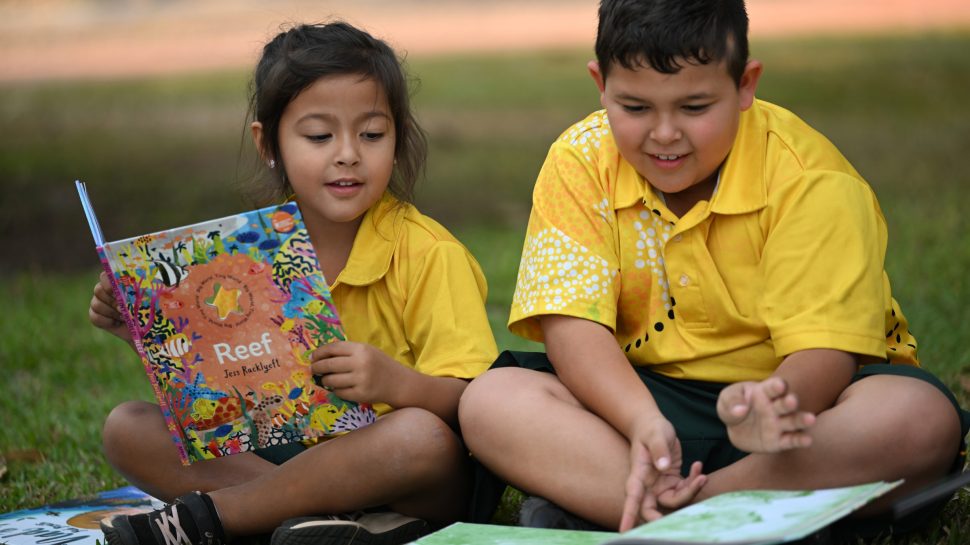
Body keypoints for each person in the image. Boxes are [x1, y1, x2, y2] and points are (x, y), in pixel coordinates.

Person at [457, 0, 970, 539]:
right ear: (599, 84)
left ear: (745, 84)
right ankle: (742, 518)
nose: (664, 134)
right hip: (638, 404)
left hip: (795, 416)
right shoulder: (579, 160)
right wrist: (640, 421)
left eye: (695, 108)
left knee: (917, 418)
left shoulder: (809, 178)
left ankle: (664, 510)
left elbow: (825, 351)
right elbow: (573, 330)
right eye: (634, 107)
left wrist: (773, 403)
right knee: (492, 402)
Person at [88, 21, 498, 545]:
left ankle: (218, 519)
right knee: (126, 428)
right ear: (269, 143)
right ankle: (319, 520)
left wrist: (397, 384)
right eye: (319, 136)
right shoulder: (247, 251)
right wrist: (146, 333)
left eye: (372, 134)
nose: (348, 153)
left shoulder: (428, 254)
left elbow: (478, 403)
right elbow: (220, 396)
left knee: (420, 439)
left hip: (406, 471)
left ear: (397, 137)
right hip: (286, 452)